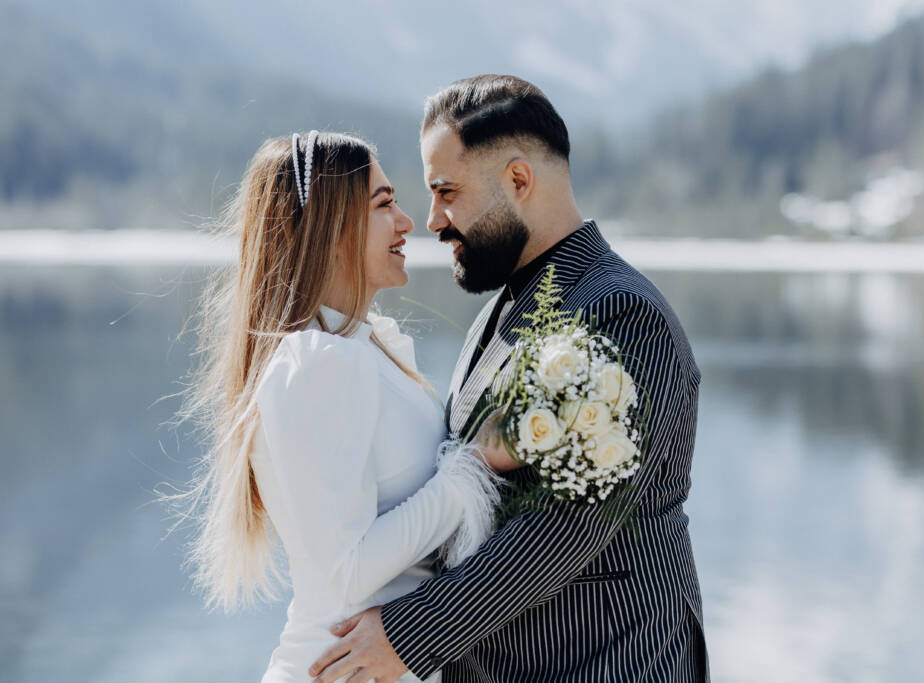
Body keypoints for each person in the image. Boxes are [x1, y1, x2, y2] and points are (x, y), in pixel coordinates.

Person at [309, 75, 709, 682]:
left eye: (447, 191)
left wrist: (407, 635)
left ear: (518, 181)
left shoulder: (624, 315)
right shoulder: (505, 309)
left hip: (607, 662)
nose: (433, 219)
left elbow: (569, 523)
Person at [172, 130, 505, 682]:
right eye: (383, 204)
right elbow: (349, 573)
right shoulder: (320, 362)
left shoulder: (355, 348)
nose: (406, 222)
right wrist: (472, 469)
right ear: (330, 228)